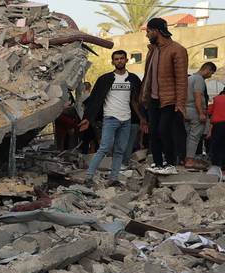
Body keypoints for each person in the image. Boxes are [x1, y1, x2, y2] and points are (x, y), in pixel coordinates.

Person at [81, 50, 146, 186]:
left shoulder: (133, 79)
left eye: (122, 58)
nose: (119, 61)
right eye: (116, 59)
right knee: (104, 148)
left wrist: (142, 119)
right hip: (110, 119)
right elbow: (95, 100)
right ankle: (88, 177)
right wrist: (88, 118)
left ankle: (113, 179)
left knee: (119, 150)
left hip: (126, 120)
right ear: (112, 62)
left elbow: (135, 101)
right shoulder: (105, 79)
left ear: (126, 60)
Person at [140, 17, 189, 175]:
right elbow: (148, 75)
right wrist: (145, 97)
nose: (147, 35)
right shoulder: (153, 50)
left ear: (156, 31)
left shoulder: (177, 50)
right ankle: (158, 164)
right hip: (154, 100)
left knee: (164, 131)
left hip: (169, 100)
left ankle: (170, 164)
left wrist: (180, 104)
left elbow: (182, 80)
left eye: (148, 32)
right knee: (153, 132)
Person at [186, 62, 217, 167]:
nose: (210, 76)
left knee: (189, 136)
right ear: (207, 69)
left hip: (187, 110)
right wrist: (201, 113)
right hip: (195, 111)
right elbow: (197, 95)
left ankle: (187, 158)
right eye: (211, 73)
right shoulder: (199, 79)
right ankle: (190, 160)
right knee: (195, 137)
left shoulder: (189, 79)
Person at [208, 88, 225, 179]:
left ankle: (216, 167)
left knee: (217, 146)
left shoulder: (217, 98)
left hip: (218, 125)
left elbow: (209, 111)